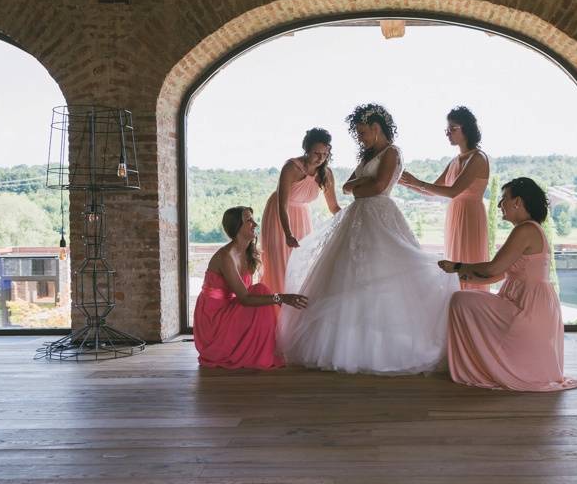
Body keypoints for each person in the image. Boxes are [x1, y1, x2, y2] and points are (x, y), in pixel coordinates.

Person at [278, 104, 459, 375]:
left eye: (363, 133)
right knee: (345, 277)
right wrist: (358, 186)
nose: (360, 138)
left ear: (376, 129)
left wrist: (358, 187)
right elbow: (348, 185)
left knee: (382, 277)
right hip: (357, 220)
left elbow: (377, 187)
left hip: (380, 218)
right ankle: (347, 346)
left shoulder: (392, 153)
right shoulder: (369, 155)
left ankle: (382, 347)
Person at [438, 178, 577, 392]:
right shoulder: (528, 229)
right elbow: (497, 275)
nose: (499, 205)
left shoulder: (526, 230)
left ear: (518, 202)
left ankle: (478, 366)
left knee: (460, 301)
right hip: (527, 303)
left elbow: (493, 269)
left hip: (528, 309)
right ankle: (481, 363)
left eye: (504, 199)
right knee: (463, 298)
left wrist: (457, 266)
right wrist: (460, 277)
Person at [194, 206, 308, 369]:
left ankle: (260, 349)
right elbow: (245, 299)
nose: (255, 224)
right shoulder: (227, 256)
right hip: (213, 317)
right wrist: (281, 298)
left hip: (230, 307)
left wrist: (278, 299)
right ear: (237, 227)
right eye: (249, 220)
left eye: (253, 219)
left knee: (261, 293)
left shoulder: (247, 253)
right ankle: (256, 351)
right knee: (261, 291)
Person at [400, 106, 489, 291]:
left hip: (471, 216)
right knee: (453, 263)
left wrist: (418, 181)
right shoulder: (454, 161)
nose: (448, 133)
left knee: (469, 260)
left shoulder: (478, 158)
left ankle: (472, 307)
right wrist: (405, 182)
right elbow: (432, 191)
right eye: (447, 129)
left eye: (453, 129)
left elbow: (452, 191)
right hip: (455, 215)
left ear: (467, 129)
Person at [259, 128, 340, 296]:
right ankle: (276, 312)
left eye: (325, 154)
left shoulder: (326, 174)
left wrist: (352, 218)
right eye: (316, 153)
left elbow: (333, 208)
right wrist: (288, 234)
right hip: (279, 216)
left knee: (301, 265)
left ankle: (295, 314)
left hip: (302, 217)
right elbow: (282, 204)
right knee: (280, 264)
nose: (320, 158)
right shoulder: (291, 167)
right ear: (307, 149)